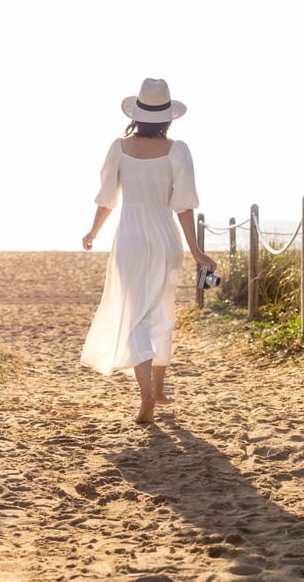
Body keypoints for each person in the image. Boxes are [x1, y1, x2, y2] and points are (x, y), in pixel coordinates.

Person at [80, 77, 217, 424]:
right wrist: (196, 250)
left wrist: (93, 231)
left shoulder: (119, 148)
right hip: (165, 236)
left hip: (129, 237)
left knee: (134, 314)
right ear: (167, 117)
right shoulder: (178, 150)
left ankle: (146, 398)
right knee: (159, 311)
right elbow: (184, 205)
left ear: (137, 114)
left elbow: (107, 198)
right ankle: (158, 389)